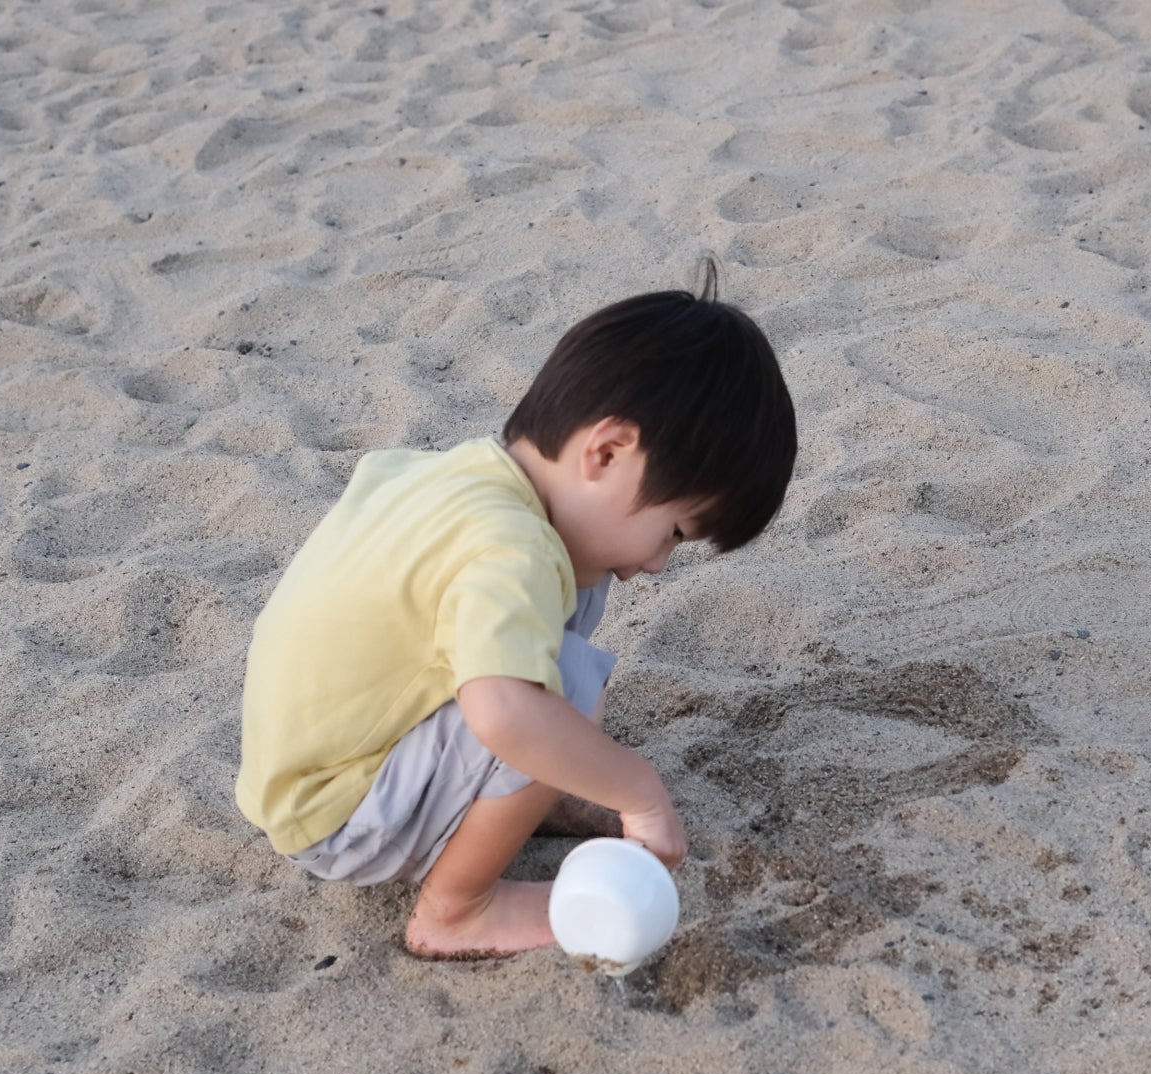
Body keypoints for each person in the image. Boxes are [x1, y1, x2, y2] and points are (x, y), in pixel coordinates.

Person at [235, 260, 797, 959]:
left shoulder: (460, 478)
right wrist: (638, 788)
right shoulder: (512, 548)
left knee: (581, 586)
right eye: (676, 532)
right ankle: (456, 909)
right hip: (342, 817)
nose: (657, 563)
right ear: (609, 450)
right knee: (560, 683)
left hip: (306, 771)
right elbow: (502, 711)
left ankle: (523, 794)